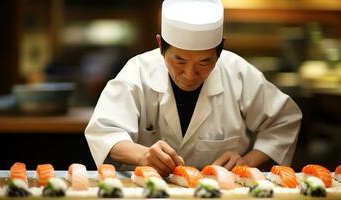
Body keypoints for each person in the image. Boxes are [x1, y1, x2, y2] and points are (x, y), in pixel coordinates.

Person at [85, 0, 302, 176]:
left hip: (224, 191)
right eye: (179, 61)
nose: (190, 75)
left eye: (204, 62)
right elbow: (105, 131)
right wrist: (142, 155)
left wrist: (247, 161)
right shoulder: (138, 72)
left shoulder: (238, 73)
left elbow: (284, 120)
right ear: (160, 45)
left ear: (221, 48)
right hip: (150, 191)